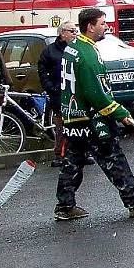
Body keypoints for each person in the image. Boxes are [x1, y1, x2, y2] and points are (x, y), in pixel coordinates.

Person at [54, 8, 134, 220]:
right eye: (102, 23)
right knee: (113, 158)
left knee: (72, 161)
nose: (106, 27)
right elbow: (97, 94)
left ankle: (64, 206)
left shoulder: (73, 48)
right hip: (92, 119)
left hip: (73, 116)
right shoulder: (87, 55)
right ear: (90, 26)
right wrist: (119, 112)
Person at [38, 20, 81, 167]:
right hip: (58, 94)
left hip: (76, 93)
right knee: (61, 125)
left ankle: (81, 153)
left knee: (79, 124)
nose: (75, 34)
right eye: (72, 31)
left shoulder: (77, 49)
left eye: (76, 31)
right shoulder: (50, 51)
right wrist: (51, 88)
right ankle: (59, 155)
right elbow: (42, 71)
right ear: (63, 33)